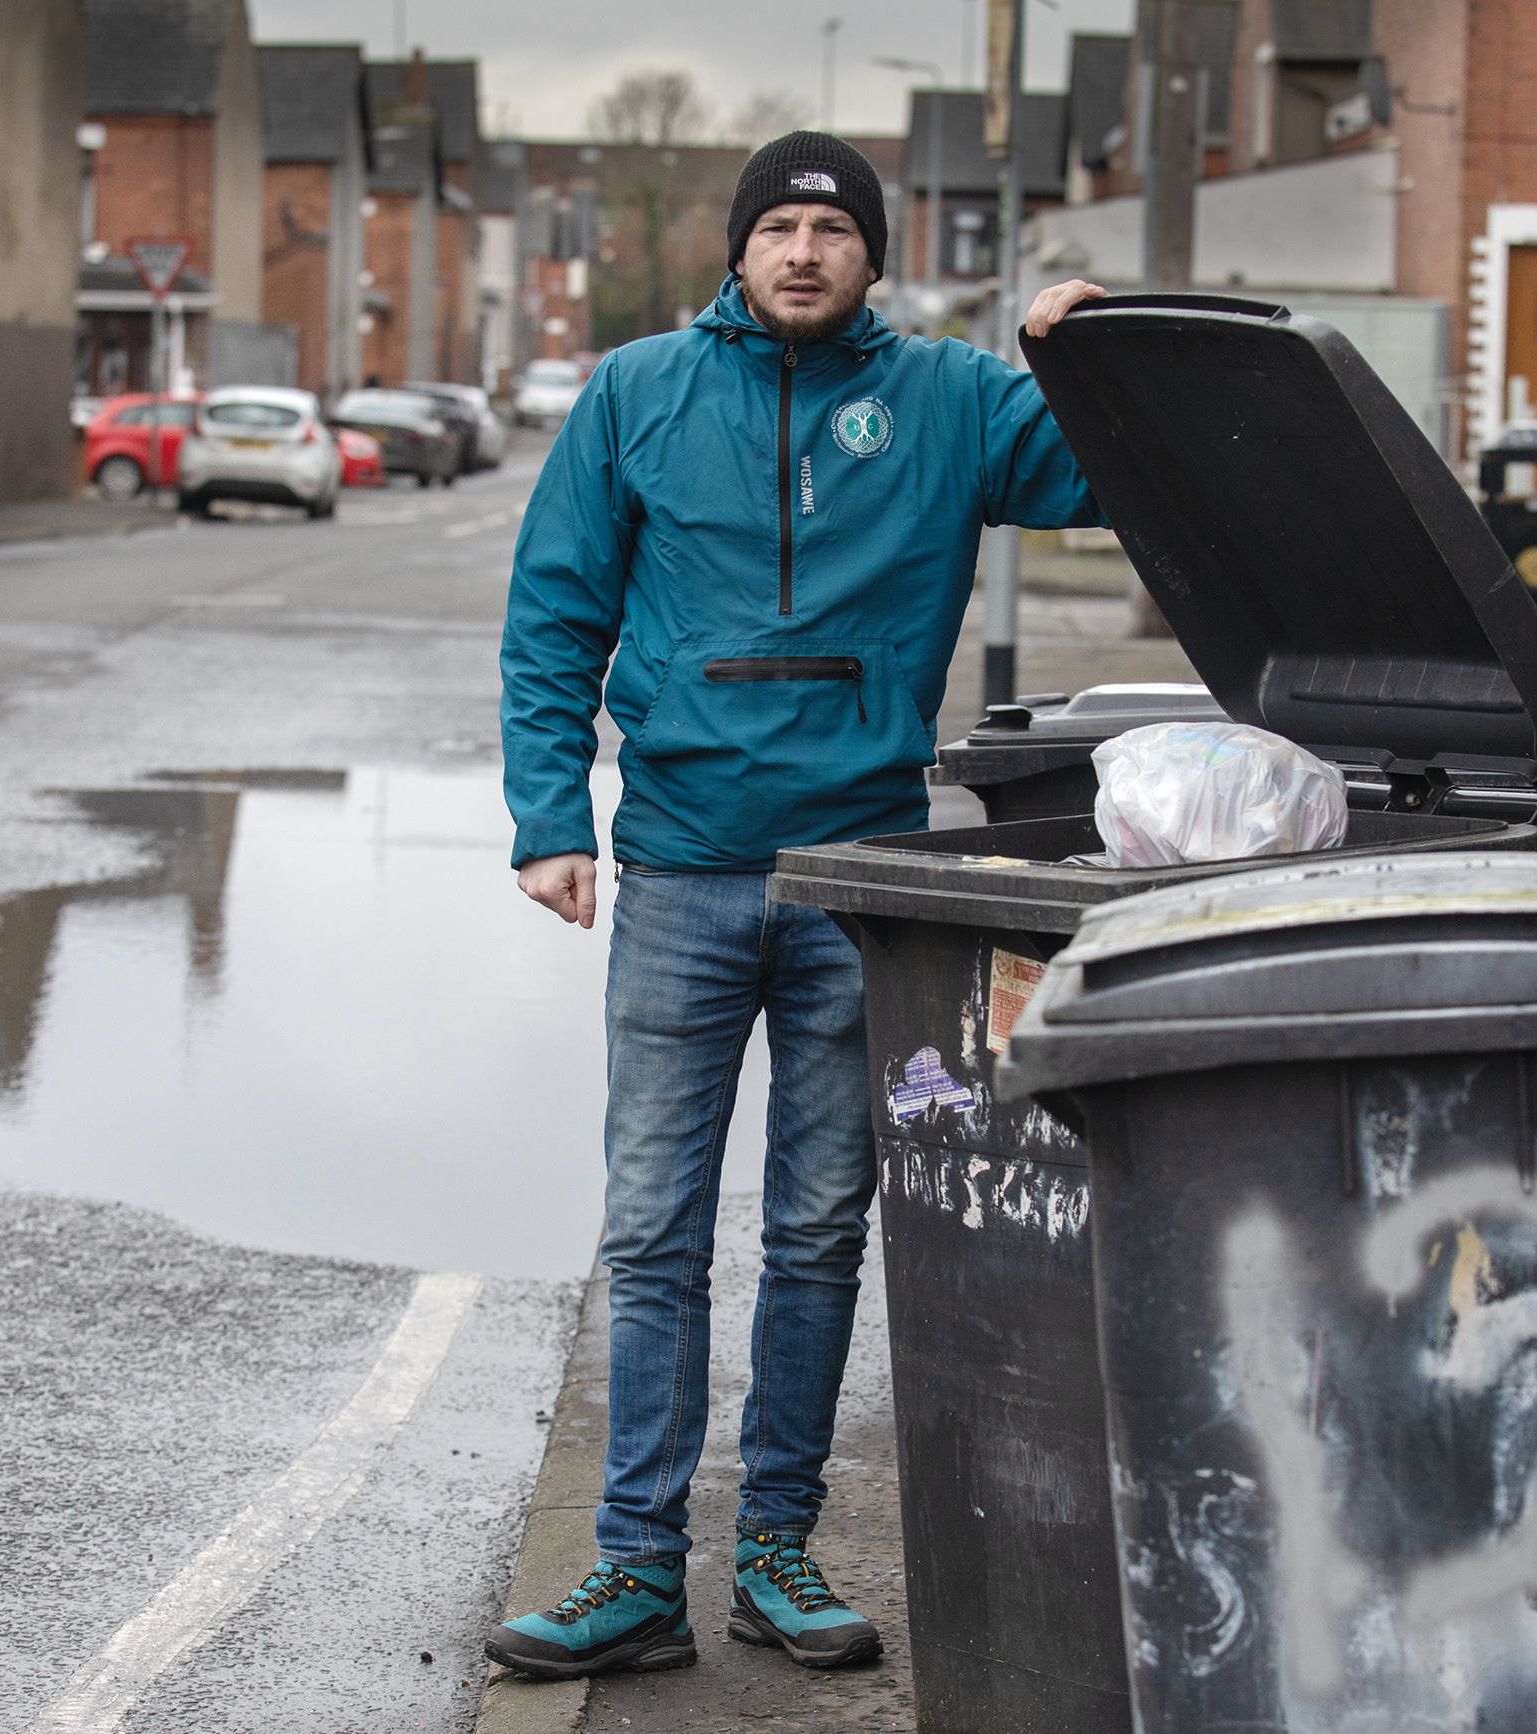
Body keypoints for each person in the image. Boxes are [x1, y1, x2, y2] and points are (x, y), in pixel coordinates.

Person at [489, 130, 1106, 1681]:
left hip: (856, 886)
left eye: (834, 227)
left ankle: (773, 1548)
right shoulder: (637, 393)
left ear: (873, 258)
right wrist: (551, 817)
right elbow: (555, 610)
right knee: (653, 1230)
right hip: (684, 872)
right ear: (740, 249)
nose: (806, 249)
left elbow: (1106, 468)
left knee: (825, 1227)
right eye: (781, 225)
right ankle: (634, 1569)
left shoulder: (956, 402)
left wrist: (1085, 354)